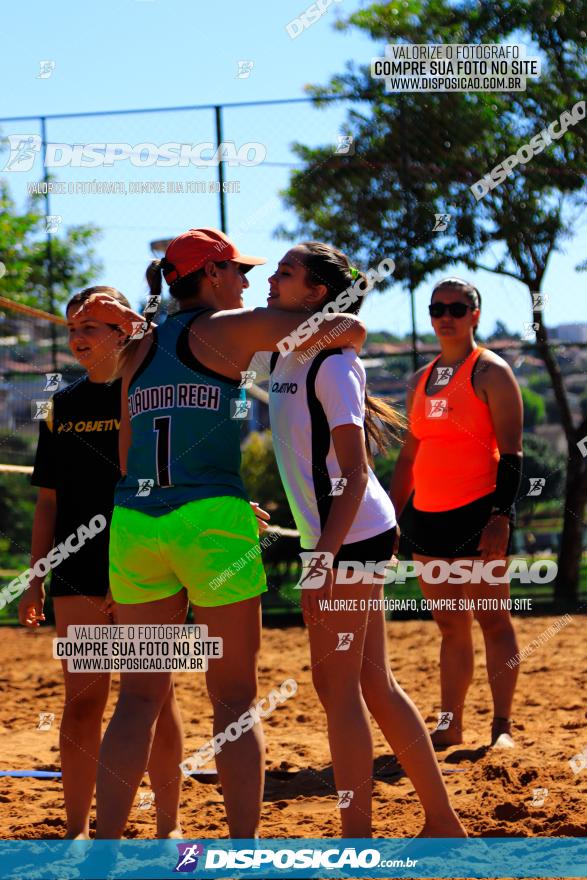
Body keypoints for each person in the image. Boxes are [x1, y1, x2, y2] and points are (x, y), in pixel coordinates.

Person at [76, 228, 367, 840]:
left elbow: (130, 453)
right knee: (234, 698)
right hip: (210, 518)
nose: (245, 281)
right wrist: (221, 510)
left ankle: (103, 852)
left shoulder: (138, 351)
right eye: (237, 270)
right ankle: (242, 850)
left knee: (136, 700)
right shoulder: (230, 327)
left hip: (134, 522)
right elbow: (348, 332)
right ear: (210, 275)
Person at [248, 242, 466, 838]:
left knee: (340, 690)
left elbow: (356, 472)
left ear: (315, 292)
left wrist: (321, 558)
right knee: (372, 684)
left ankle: (357, 833)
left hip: (350, 535)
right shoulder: (291, 350)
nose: (271, 278)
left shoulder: (334, 363)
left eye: (285, 273)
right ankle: (440, 820)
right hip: (349, 536)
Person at [18, 286, 185, 839]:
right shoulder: (59, 407)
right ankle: (75, 830)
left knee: (155, 699)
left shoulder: (151, 391)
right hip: (80, 568)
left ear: (122, 330)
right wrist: (35, 578)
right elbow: (49, 501)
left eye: (90, 326)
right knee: (83, 701)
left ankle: (167, 828)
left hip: (147, 561)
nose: (77, 338)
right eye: (71, 329)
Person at [390, 277, 523, 748]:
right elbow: (408, 458)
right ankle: (451, 724)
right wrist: (392, 519)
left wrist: (500, 518)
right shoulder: (420, 381)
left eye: (457, 307)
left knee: (493, 618)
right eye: (437, 307)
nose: (446, 315)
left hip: (478, 512)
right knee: (451, 625)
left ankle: (502, 726)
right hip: (427, 517)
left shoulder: (491, 373)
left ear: (475, 315)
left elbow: (512, 454)